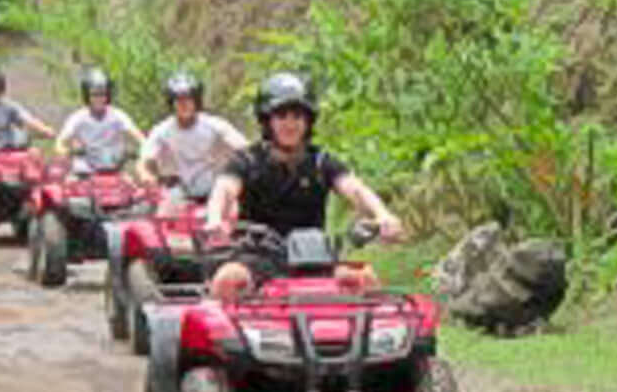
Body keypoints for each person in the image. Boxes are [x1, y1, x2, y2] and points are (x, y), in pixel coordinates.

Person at [200, 72, 407, 300]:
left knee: (365, 279)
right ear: (267, 121)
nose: (290, 124)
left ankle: (366, 335)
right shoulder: (248, 160)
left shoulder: (320, 161)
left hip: (315, 256)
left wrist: (383, 215)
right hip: (258, 256)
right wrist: (214, 218)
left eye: (297, 116)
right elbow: (225, 189)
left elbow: (355, 189)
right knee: (228, 280)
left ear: (308, 122)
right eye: (282, 116)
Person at [138, 72, 247, 207]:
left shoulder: (214, 125)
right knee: (162, 217)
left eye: (188, 100)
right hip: (179, 190)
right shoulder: (162, 130)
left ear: (196, 101)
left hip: (214, 189)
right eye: (179, 100)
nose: (184, 105)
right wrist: (147, 176)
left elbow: (244, 148)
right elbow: (146, 159)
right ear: (171, 103)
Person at [52, 68, 146, 176]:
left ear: (108, 95)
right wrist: (64, 151)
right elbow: (61, 141)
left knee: (134, 188)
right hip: (86, 170)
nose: (99, 99)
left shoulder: (118, 116)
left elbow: (137, 135)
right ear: (87, 96)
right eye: (95, 95)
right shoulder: (78, 118)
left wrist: (143, 148)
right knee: (69, 188)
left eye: (102, 94)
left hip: (115, 168)